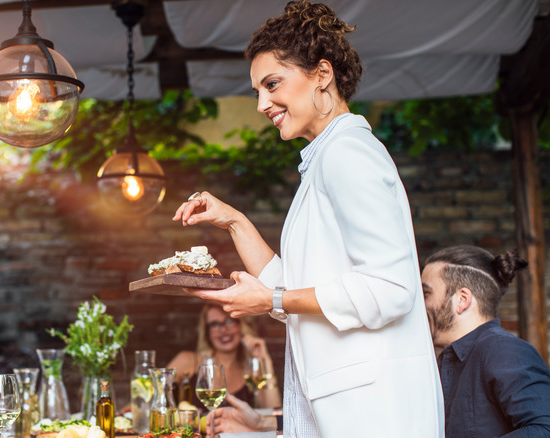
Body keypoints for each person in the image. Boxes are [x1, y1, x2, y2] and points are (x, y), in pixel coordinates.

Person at [173, 1, 444, 436]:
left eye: (273, 83)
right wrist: (235, 223)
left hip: (373, 414)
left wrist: (271, 301)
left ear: (322, 74)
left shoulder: (348, 154)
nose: (262, 103)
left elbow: (391, 290)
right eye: (257, 90)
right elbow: (294, 287)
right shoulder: (323, 162)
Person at [422, 245, 550, 437]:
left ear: (462, 299)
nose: (418, 306)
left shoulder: (503, 350)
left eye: (425, 294)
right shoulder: (442, 363)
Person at [166, 303, 281, 410]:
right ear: (207, 332)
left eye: (229, 321)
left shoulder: (250, 371)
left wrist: (265, 360)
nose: (224, 331)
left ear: (241, 326)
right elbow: (153, 392)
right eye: (215, 324)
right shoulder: (189, 360)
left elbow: (274, 413)